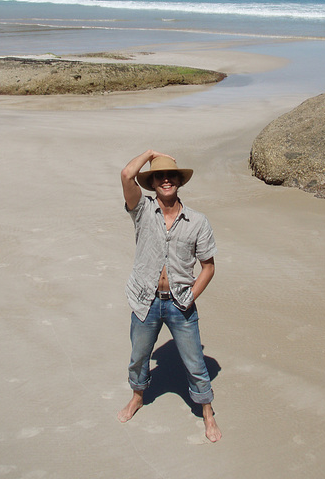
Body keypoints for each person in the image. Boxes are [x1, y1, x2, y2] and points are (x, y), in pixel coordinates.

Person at [117, 149, 221, 442]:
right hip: (145, 301)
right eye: (159, 176)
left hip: (179, 303)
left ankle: (208, 413)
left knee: (195, 363)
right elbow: (126, 175)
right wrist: (150, 152)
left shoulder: (198, 221)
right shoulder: (141, 209)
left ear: (178, 181)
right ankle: (137, 397)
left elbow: (208, 267)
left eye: (170, 175)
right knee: (138, 357)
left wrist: (188, 297)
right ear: (152, 183)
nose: (166, 180)